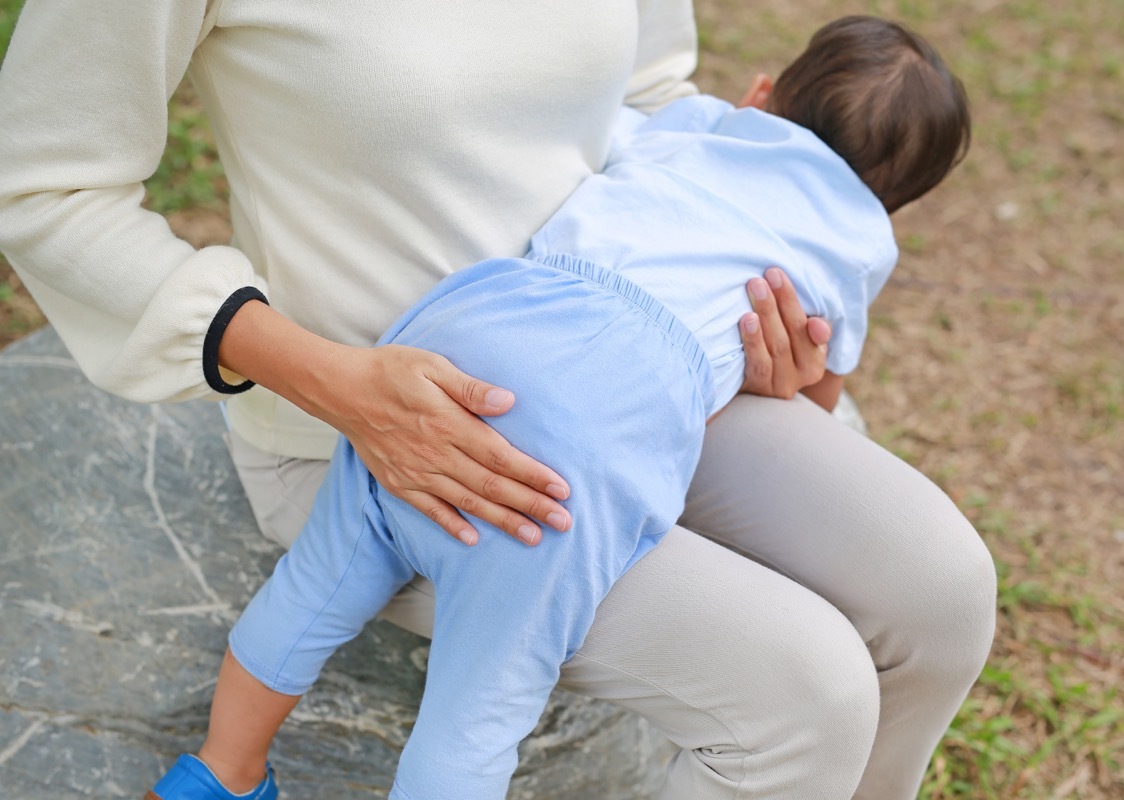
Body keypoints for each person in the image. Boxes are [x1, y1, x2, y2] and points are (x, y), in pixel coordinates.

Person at [0, 3, 997, 800]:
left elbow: (651, 98)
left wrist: (755, 319)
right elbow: (40, 182)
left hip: (639, 366)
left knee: (946, 594)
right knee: (807, 694)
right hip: (370, 417)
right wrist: (330, 377)